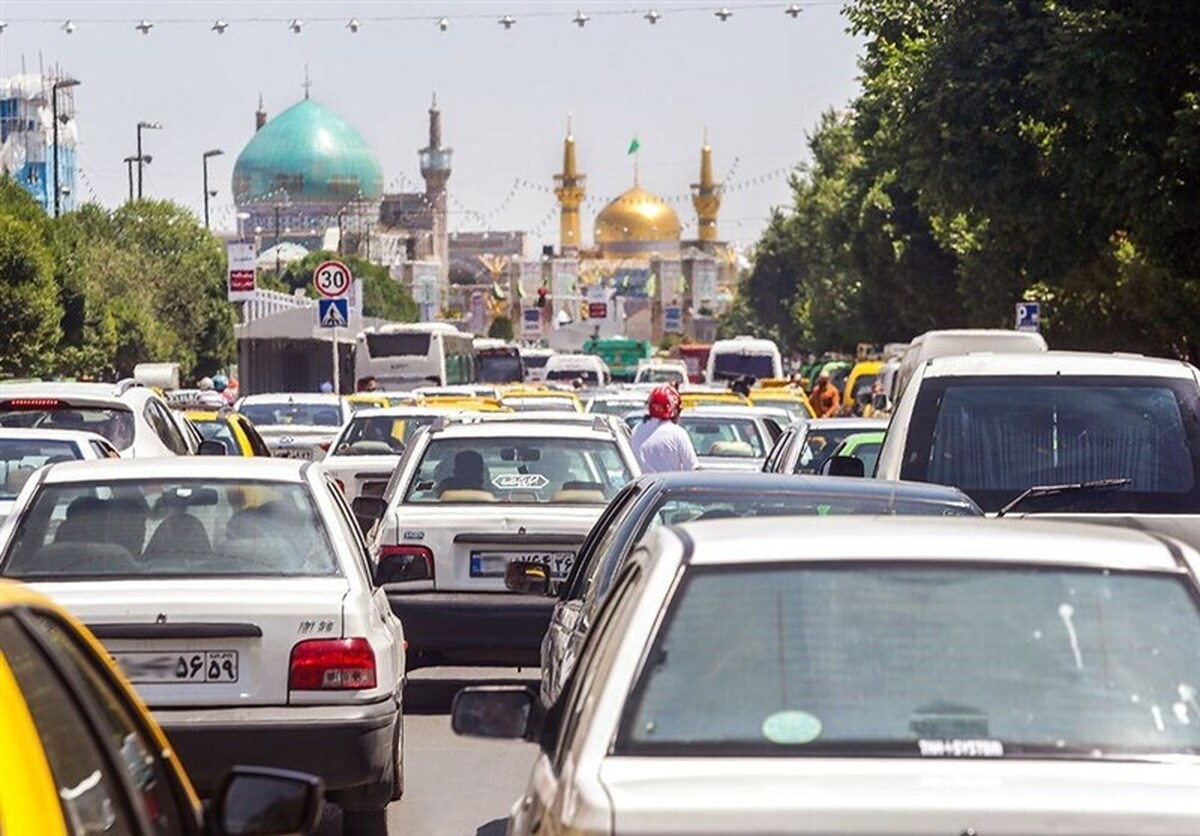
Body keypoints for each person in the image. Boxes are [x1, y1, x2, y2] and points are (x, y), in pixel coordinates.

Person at [630, 385, 699, 473]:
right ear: (673, 410)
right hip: (670, 485)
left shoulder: (636, 430)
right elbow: (692, 469)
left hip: (641, 485)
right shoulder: (677, 433)